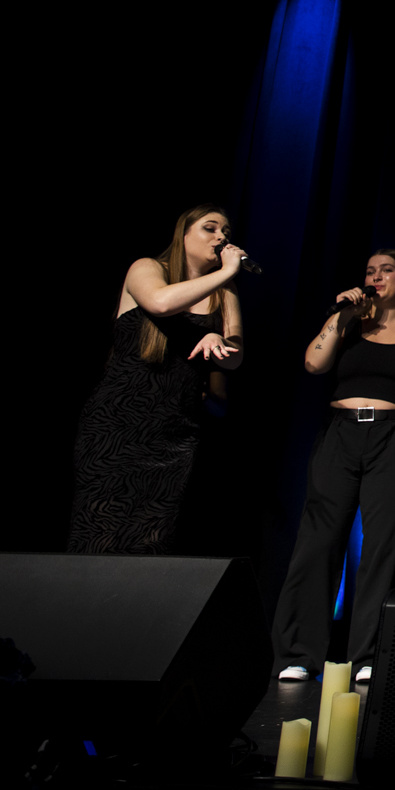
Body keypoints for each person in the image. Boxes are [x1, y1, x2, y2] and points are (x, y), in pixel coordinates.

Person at [273, 250, 395, 684]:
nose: (376, 277)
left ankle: (369, 655)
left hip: (392, 435)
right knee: (319, 540)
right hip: (341, 433)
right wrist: (340, 316)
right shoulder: (348, 322)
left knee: (383, 544)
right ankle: (299, 653)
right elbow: (313, 363)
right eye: (370, 271)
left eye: (387, 270)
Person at [69, 204, 246, 554]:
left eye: (226, 232)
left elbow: (236, 357)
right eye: (210, 228)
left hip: (174, 432)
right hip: (117, 424)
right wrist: (227, 271)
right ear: (184, 234)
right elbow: (160, 303)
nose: (221, 237)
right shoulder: (147, 268)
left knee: (151, 540)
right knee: (100, 532)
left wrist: (218, 339)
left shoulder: (224, 293)